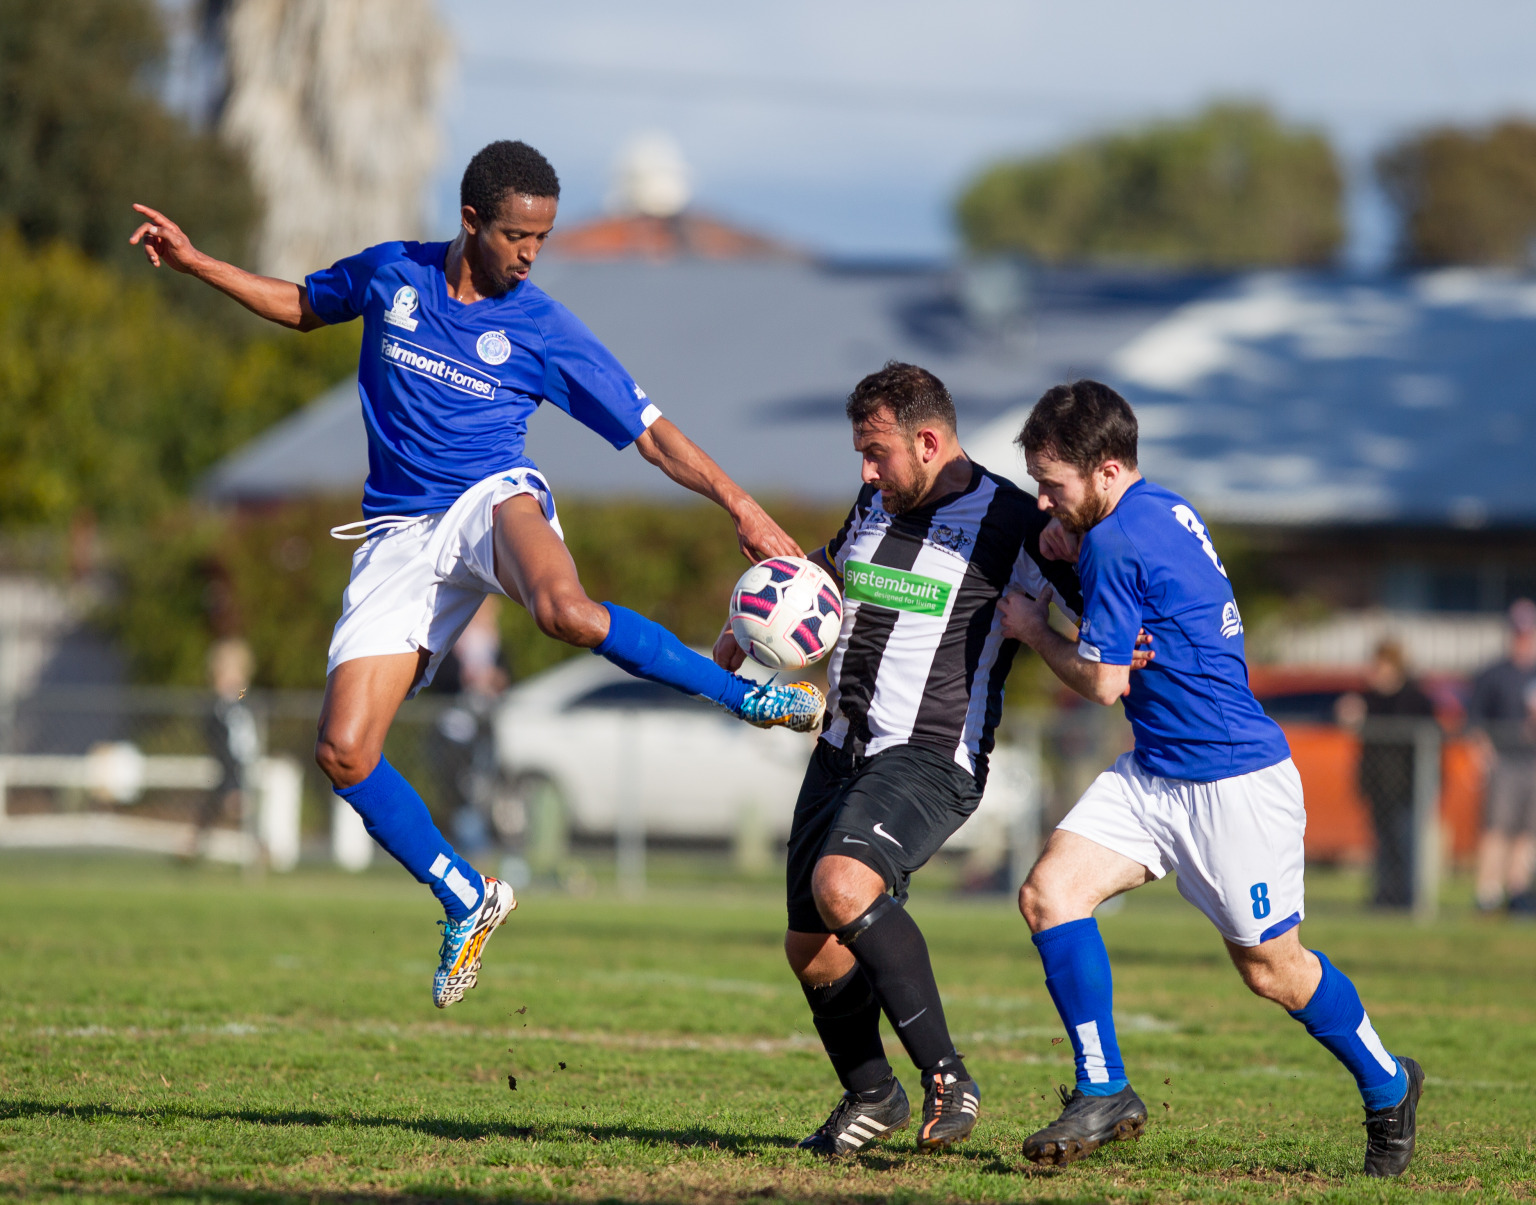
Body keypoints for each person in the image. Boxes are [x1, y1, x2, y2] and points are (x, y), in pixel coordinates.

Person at [130, 139, 824, 1009]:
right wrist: (196, 265)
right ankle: (467, 895)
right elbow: (305, 304)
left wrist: (740, 505)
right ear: (470, 221)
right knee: (344, 752)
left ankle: (749, 696)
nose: (530, 254)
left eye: (543, 237)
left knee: (565, 610)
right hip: (396, 536)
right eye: (515, 236)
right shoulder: (393, 275)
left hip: (492, 495)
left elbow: (649, 431)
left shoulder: (541, 328)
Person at [997, 380, 1422, 1178]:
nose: (1045, 501)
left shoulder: (1117, 539)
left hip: (1232, 781)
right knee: (1050, 893)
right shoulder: (1154, 509)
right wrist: (1071, 557)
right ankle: (1104, 1086)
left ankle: (1389, 1082)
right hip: (1157, 770)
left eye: (1054, 485)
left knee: (1271, 970)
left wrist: (1035, 626)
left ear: (1106, 468)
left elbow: (1103, 683)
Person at [714, 362, 1086, 1155]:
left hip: (930, 754)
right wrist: (753, 612)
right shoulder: (875, 503)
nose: (866, 470)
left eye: (877, 453)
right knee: (810, 947)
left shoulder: (1016, 521)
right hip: (840, 748)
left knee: (845, 883)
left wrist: (1088, 637)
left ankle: (948, 1076)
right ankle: (871, 1095)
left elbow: (1101, 611)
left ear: (929, 440)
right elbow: (828, 565)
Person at [1335, 639, 1437, 909]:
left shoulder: (1416, 699)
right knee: (1383, 845)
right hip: (1378, 784)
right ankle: (1384, 897)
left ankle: (1408, 899)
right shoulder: (1368, 699)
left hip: (1408, 785)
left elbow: (1431, 742)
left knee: (1407, 845)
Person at [1468, 598, 1536, 915]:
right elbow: (1475, 720)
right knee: (1497, 828)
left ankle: (1518, 891)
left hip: (1533, 762)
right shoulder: (1495, 674)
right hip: (1505, 763)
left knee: (1527, 832)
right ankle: (1488, 893)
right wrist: (1483, 755)